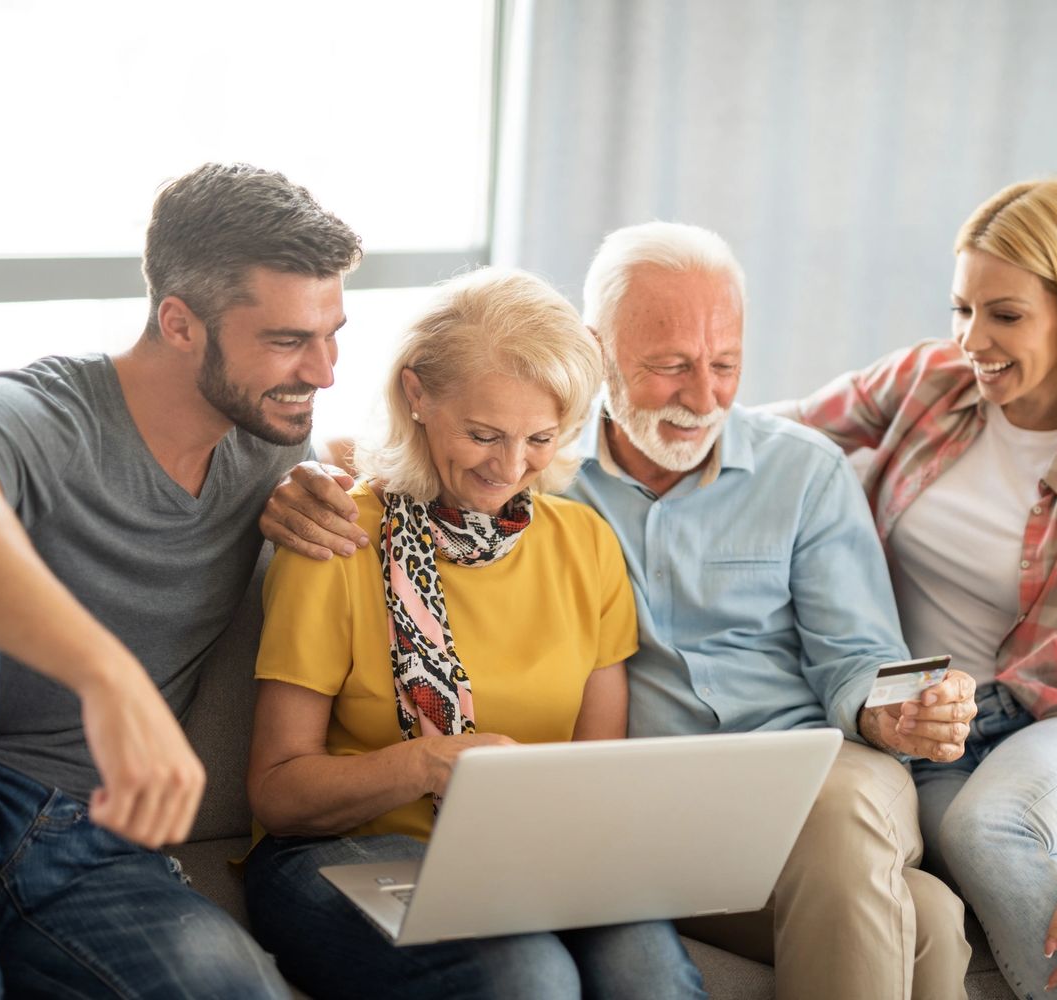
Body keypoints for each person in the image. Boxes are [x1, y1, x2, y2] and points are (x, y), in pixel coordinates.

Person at [264, 224, 979, 1000]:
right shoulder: (447, 508)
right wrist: (296, 474)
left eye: (725, 365)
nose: (701, 397)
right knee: (929, 918)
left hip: (780, 780)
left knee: (856, 846)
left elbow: (856, 656)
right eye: (670, 366)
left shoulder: (760, 482)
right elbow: (404, 453)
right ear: (601, 353)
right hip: (589, 822)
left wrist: (897, 709)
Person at [0, 162, 363, 998]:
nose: (324, 370)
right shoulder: (46, 413)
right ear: (180, 323)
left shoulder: (269, 439)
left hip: (84, 846)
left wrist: (301, 496)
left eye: (333, 331)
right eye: (287, 341)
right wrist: (106, 675)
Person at [242, 266, 705, 1000]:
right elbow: (276, 793)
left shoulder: (584, 542)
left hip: (528, 855)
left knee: (647, 972)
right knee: (528, 974)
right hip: (339, 852)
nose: (510, 468)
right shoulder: (336, 537)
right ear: (417, 394)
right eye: (484, 434)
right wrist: (425, 764)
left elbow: (593, 771)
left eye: (540, 438)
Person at [771, 178, 1057, 1000]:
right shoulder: (931, 381)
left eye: (1004, 315)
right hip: (925, 718)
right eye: (961, 308)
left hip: (1052, 721)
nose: (971, 339)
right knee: (917, 848)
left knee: (985, 829)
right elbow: (785, 433)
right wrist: (638, 418)